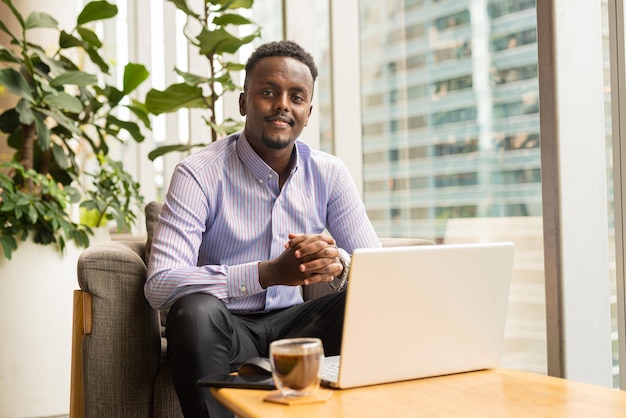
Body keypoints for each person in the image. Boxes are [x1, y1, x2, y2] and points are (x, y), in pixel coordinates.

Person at [145, 40, 380, 417]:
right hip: (225, 327)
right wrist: (268, 273)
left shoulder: (330, 173)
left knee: (372, 302)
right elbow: (161, 285)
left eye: (297, 97)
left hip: (299, 328)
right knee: (195, 313)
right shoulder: (198, 175)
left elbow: (378, 270)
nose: (283, 104)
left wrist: (338, 265)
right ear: (243, 103)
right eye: (268, 92)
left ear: (308, 112)